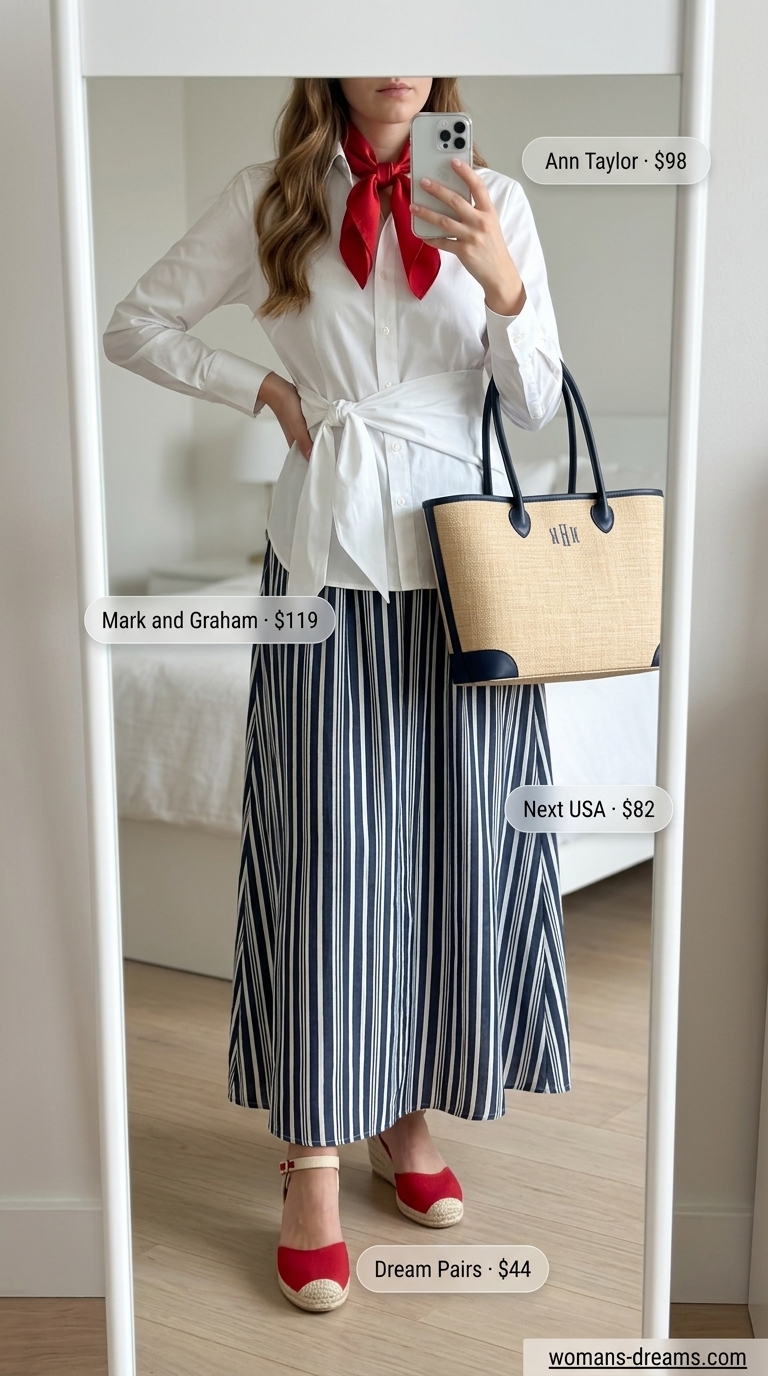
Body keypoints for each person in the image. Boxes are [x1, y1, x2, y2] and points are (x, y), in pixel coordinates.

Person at [104, 76, 569, 1314]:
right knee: (330, 855)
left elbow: (535, 405)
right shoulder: (269, 198)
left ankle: (406, 1124)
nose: (395, 57)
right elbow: (133, 325)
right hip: (323, 559)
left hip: (467, 568)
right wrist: (262, 390)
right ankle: (314, 1156)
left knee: (448, 849)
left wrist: (504, 286)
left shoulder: (492, 193)